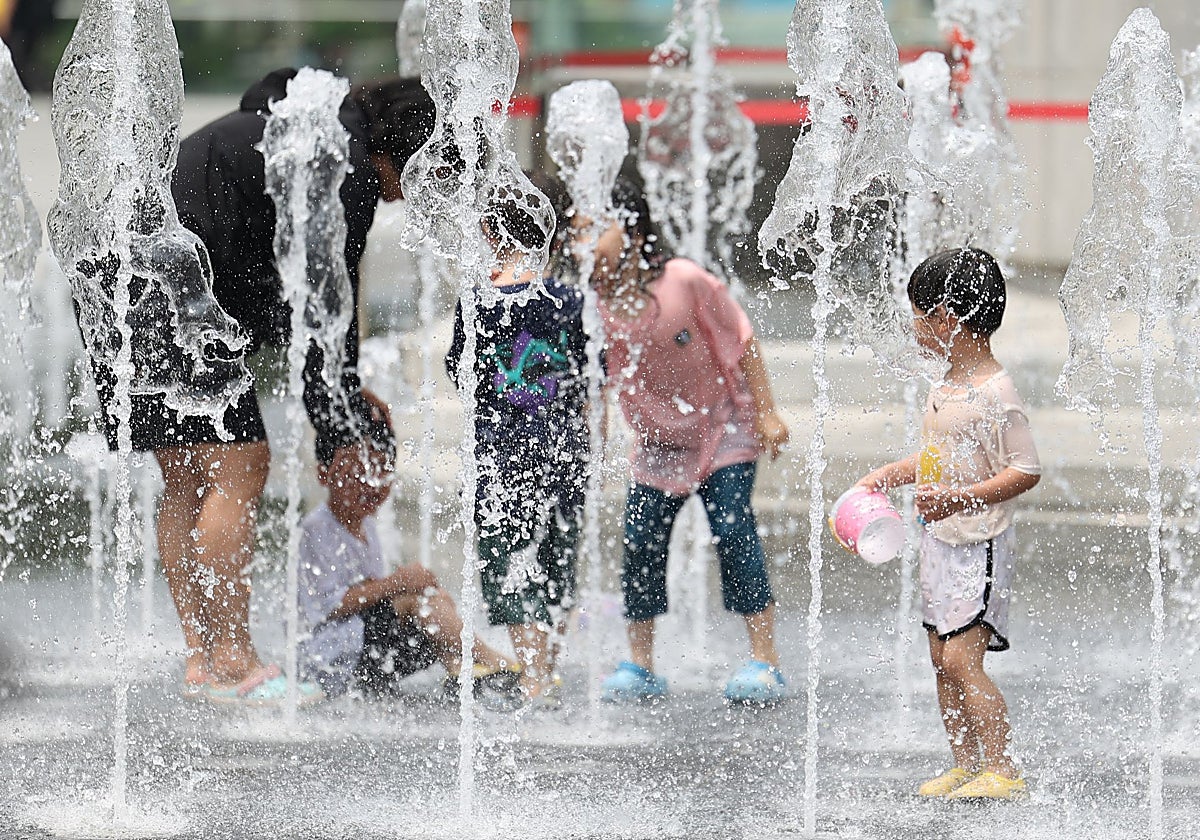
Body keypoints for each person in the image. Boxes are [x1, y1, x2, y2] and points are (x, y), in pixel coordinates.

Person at [140, 70, 435, 703]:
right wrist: (341, 427)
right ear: (411, 152)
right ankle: (235, 660)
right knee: (242, 465)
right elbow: (322, 308)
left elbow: (313, 312)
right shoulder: (348, 171)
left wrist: (345, 394)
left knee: (190, 474)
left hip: (131, 269)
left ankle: (202, 659)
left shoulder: (312, 127)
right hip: (176, 279)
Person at [579, 179, 791, 705]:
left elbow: (741, 340)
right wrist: (593, 440)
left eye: (593, 225)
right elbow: (597, 384)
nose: (581, 237)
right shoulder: (592, 305)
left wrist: (766, 413)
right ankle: (640, 662)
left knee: (733, 529)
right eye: (576, 225)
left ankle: (764, 658)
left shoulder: (684, 280)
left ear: (628, 229)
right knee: (640, 542)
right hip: (657, 442)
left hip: (723, 427)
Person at [855, 248, 1039, 800]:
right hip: (942, 540)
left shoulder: (996, 392)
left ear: (946, 318)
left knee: (963, 658)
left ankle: (1002, 768)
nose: (913, 324)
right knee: (940, 659)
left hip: (978, 544)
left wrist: (961, 499)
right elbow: (943, 457)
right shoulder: (947, 385)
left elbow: (1025, 470)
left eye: (917, 311)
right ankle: (966, 762)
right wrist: (897, 473)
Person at [445, 196, 590, 707]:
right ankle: (544, 671)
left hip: (498, 453)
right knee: (558, 555)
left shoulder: (477, 299)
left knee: (507, 557)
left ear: (489, 230)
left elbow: (458, 372)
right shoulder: (570, 301)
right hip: (564, 450)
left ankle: (531, 676)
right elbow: (591, 381)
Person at [297, 407, 519, 704]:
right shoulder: (316, 529)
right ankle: (491, 660)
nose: (370, 482)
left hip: (363, 648)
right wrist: (398, 584)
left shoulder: (367, 526)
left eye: (380, 470)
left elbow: (374, 594)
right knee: (414, 597)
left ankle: (460, 669)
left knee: (427, 597)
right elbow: (327, 606)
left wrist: (407, 586)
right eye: (356, 472)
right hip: (330, 658)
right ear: (323, 474)